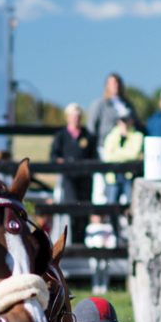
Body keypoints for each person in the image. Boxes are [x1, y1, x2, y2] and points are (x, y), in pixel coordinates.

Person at [50, 103, 97, 243]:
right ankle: (70, 241)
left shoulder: (87, 135)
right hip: (69, 177)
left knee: (84, 208)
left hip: (85, 178)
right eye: (73, 116)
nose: (76, 119)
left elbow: (94, 156)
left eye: (78, 116)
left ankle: (81, 242)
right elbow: (53, 155)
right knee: (72, 205)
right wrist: (62, 162)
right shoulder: (61, 136)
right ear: (68, 117)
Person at [102, 107, 144, 203]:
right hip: (113, 176)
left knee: (131, 205)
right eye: (122, 120)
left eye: (126, 120)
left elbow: (134, 154)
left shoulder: (137, 135)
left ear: (131, 120)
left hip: (129, 175)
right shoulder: (111, 136)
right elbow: (107, 157)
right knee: (111, 205)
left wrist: (116, 154)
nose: (124, 123)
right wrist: (125, 154)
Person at [86, 72, 135, 153]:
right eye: (113, 83)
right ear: (107, 86)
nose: (116, 85)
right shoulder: (100, 104)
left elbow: (135, 122)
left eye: (118, 82)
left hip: (127, 147)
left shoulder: (127, 104)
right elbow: (91, 128)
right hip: (105, 147)